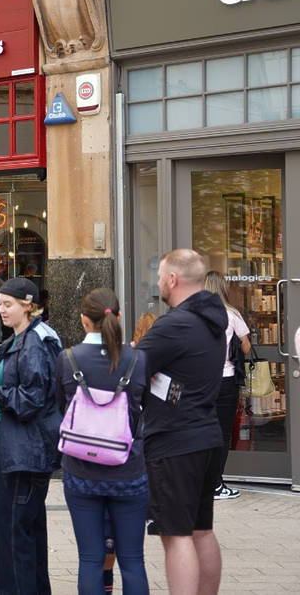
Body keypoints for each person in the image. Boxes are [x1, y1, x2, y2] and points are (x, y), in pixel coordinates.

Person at [135, 249, 227, 595]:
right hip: (206, 436)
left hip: (173, 441)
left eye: (160, 276)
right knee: (202, 530)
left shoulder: (173, 325)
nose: (158, 282)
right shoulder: (213, 322)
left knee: (176, 535)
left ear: (172, 279)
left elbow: (130, 369)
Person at [0, 276, 62, 595]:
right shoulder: (25, 338)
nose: (1, 311)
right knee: (26, 535)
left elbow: (30, 401)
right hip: (21, 453)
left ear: (28, 305)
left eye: (8, 305)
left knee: (14, 538)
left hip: (27, 456)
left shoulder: (35, 342)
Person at [56, 289, 149, 594]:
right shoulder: (137, 359)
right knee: (133, 561)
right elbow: (144, 409)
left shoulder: (68, 359)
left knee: (90, 560)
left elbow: (61, 410)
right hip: (129, 470)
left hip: (81, 472)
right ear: (118, 318)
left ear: (84, 320)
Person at [203, 270, 251, 501]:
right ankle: (215, 485)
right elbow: (246, 347)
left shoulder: (196, 315)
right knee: (221, 434)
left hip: (201, 382)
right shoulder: (231, 314)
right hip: (226, 380)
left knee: (202, 431)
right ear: (222, 289)